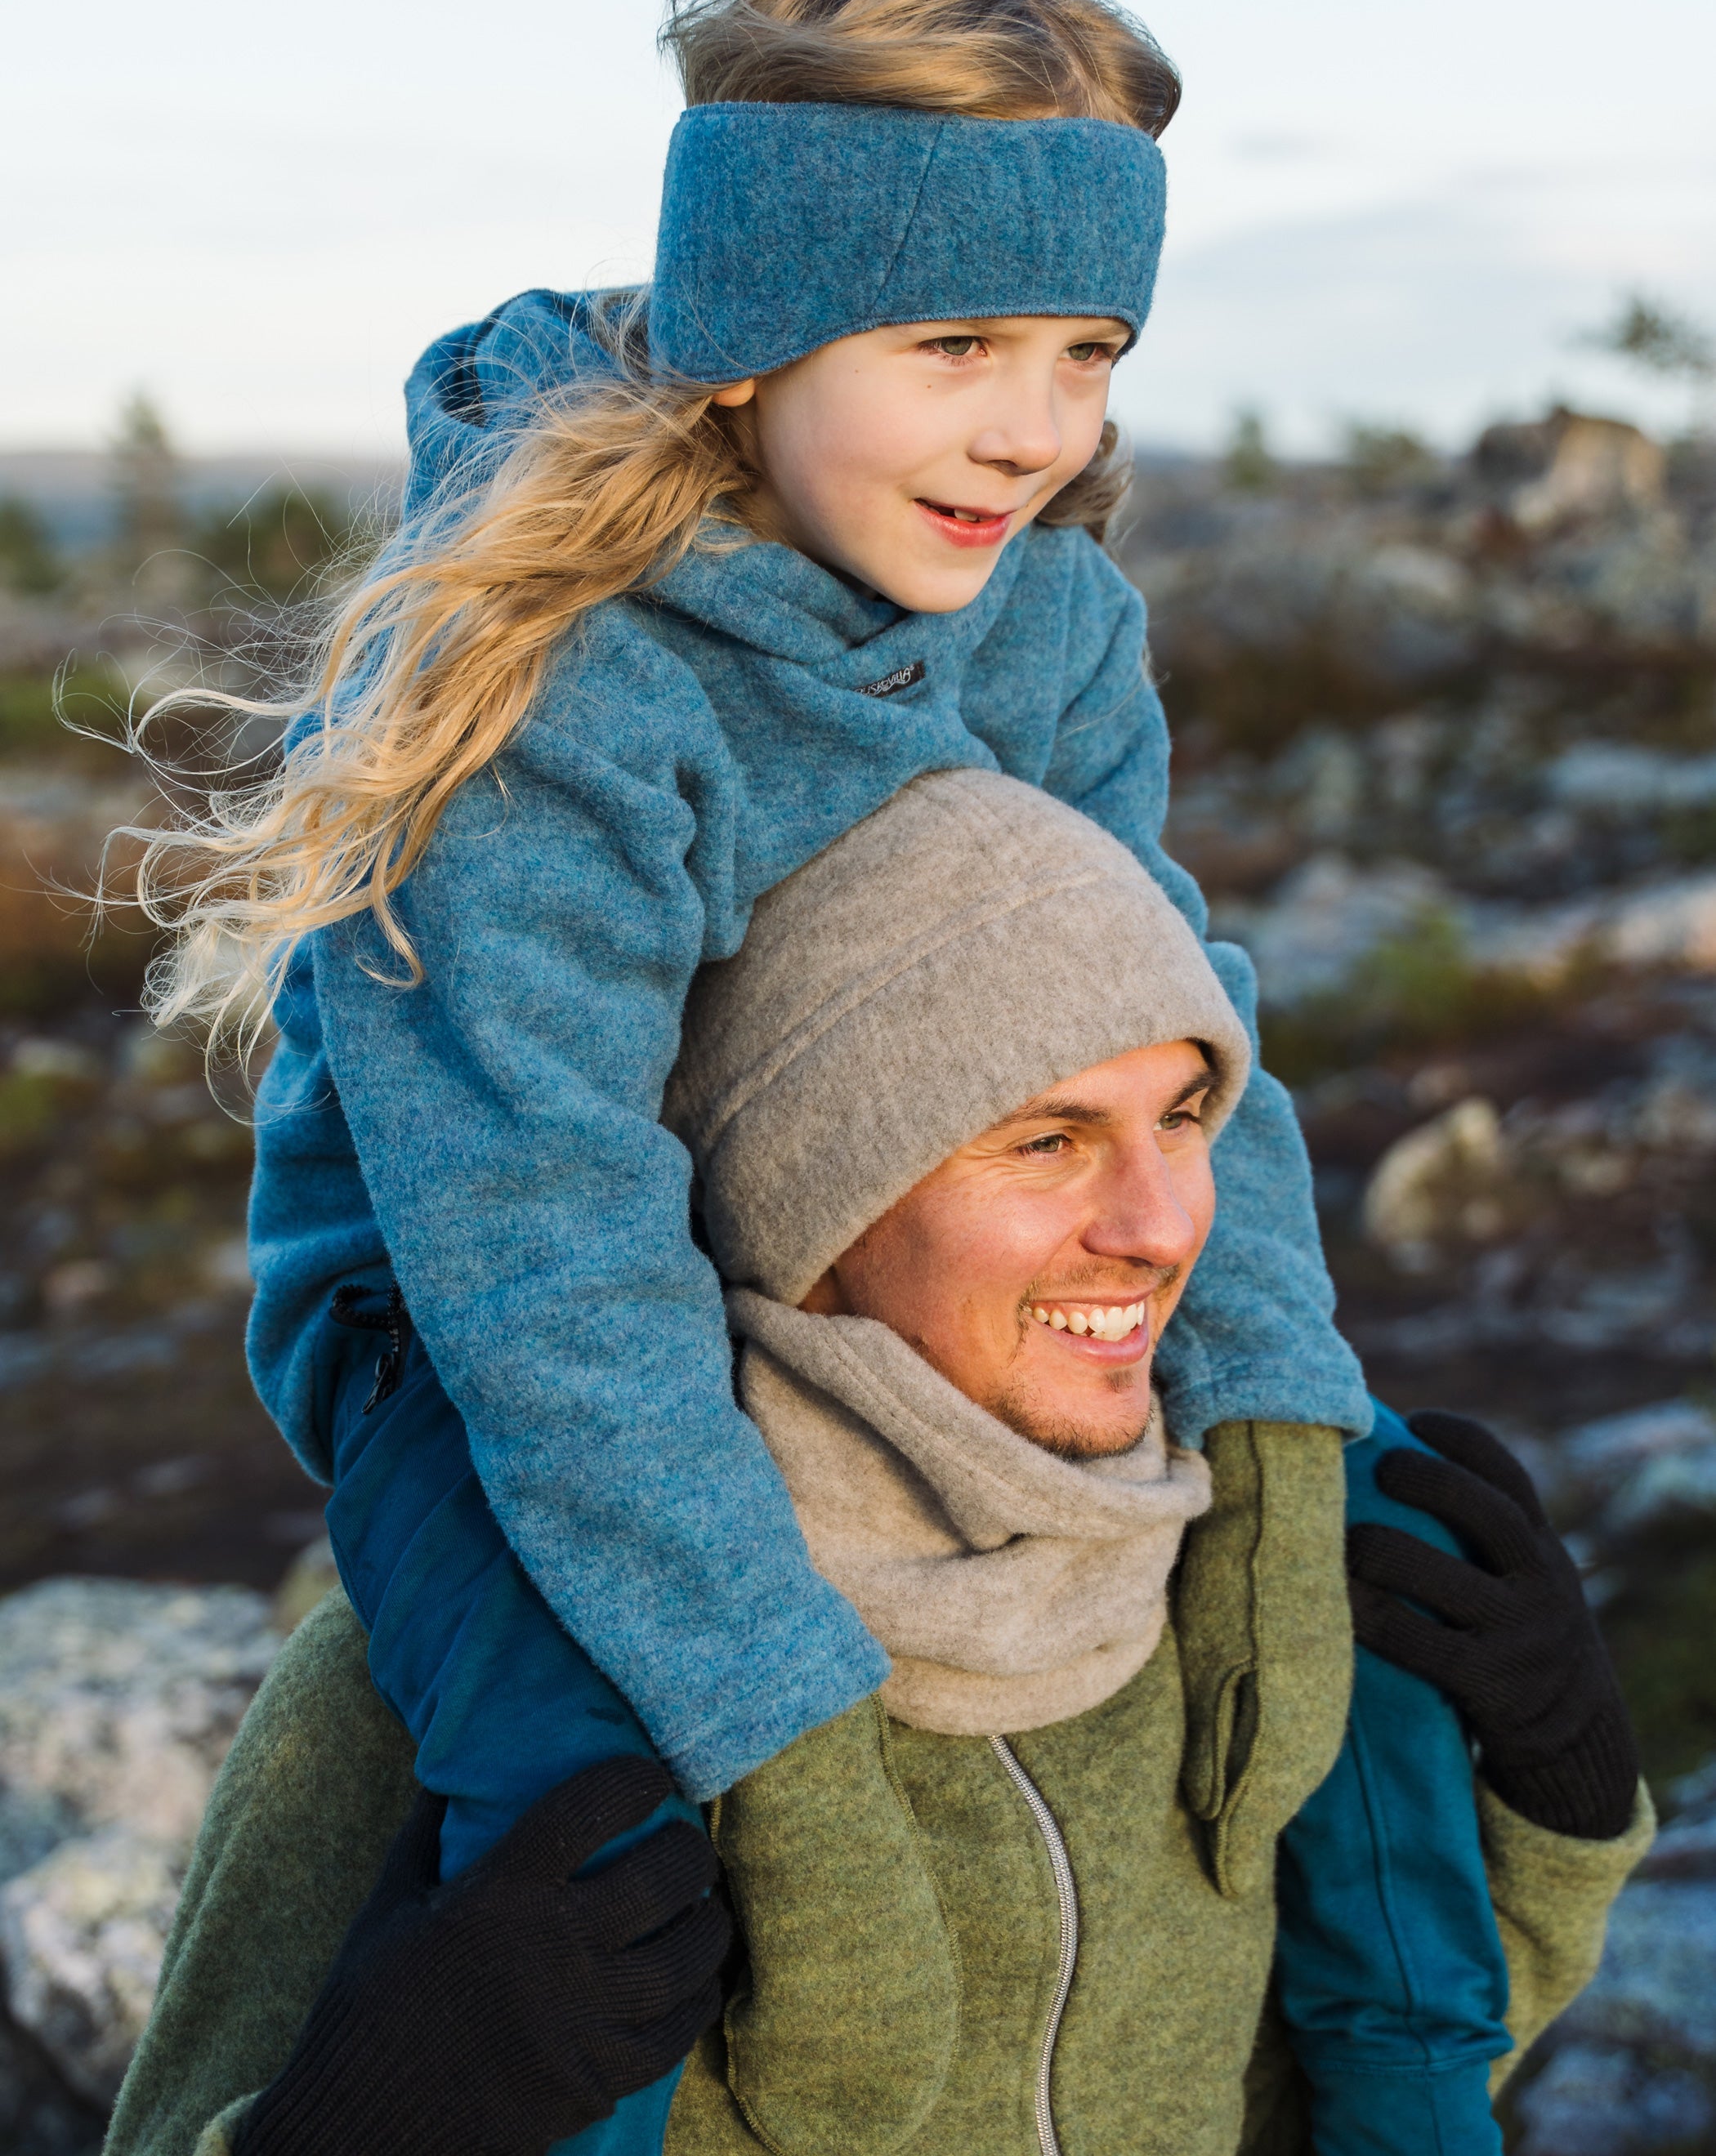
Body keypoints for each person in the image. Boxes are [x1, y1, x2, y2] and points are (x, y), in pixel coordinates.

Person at [109, 776, 1652, 2156]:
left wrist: (1558, 1795)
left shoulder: (1238, 1609)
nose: (1165, 1222)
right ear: (813, 1198)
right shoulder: (443, 1694)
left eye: (1183, 1117)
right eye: (1047, 1141)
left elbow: (1347, 2083)